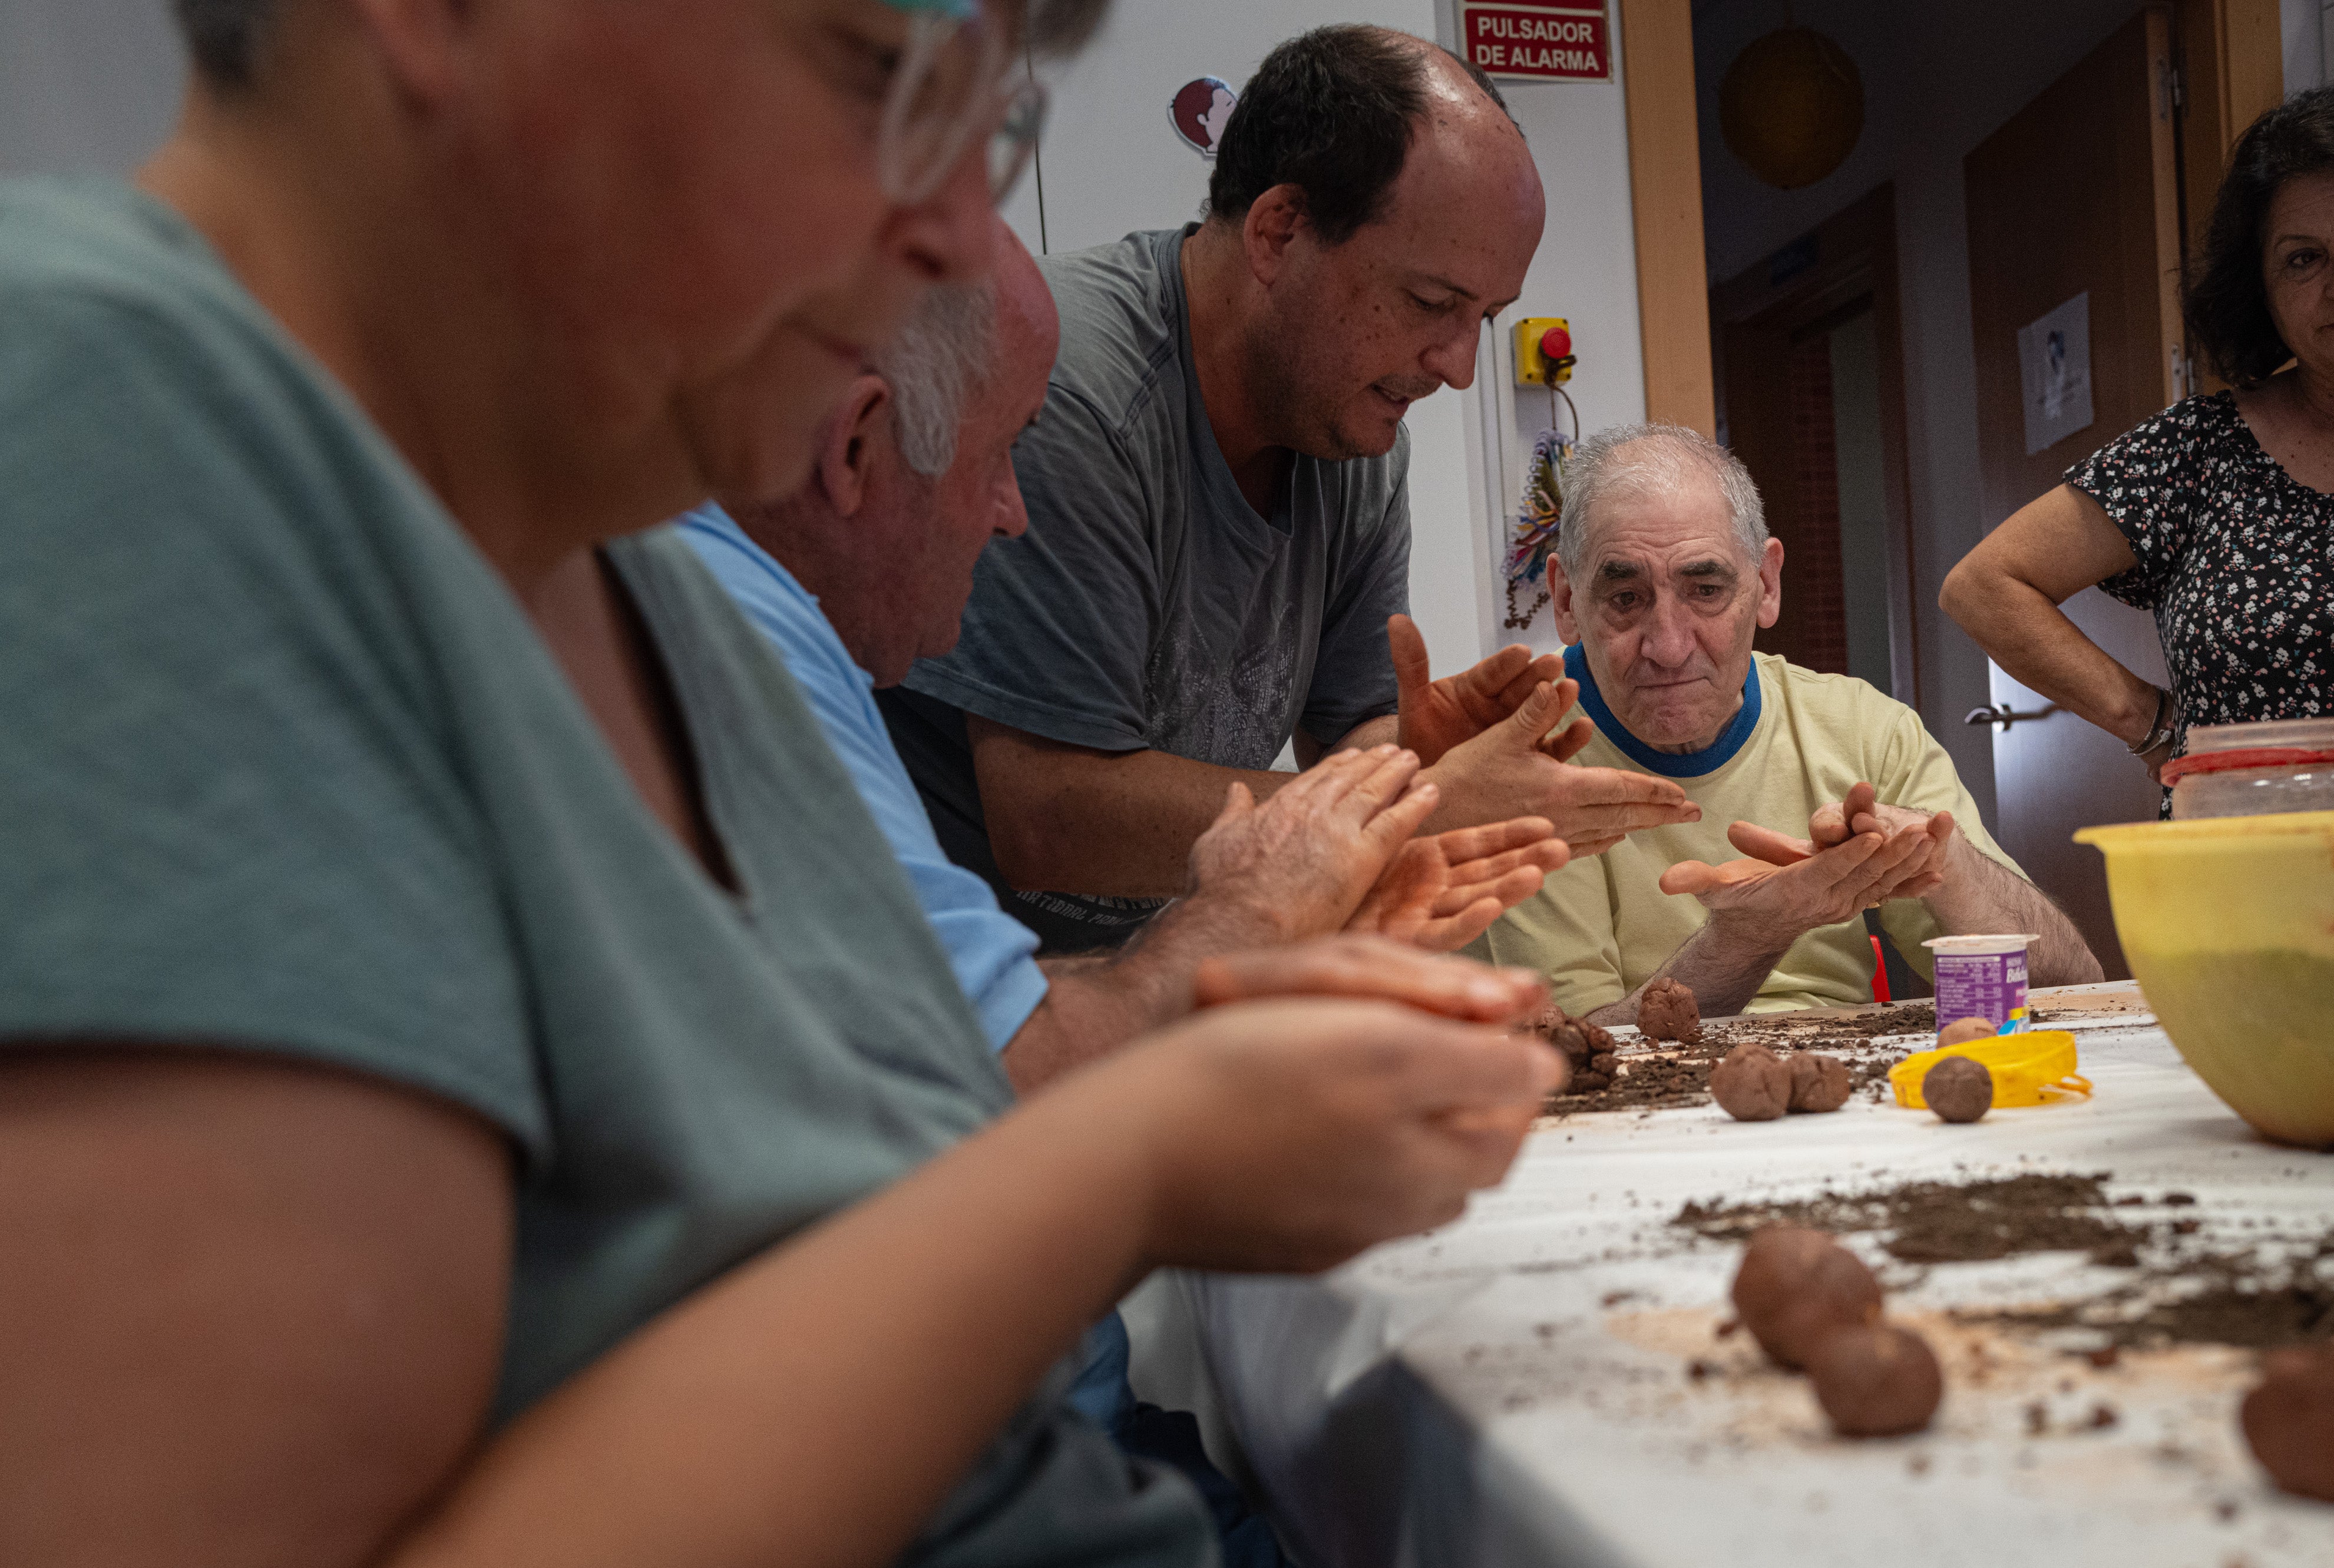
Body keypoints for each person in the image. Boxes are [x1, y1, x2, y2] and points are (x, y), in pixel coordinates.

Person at [0, 4, 1571, 1567]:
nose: (958, 232)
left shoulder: (662, 577)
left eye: (989, 127)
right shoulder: (109, 423)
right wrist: (1131, 1162)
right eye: (881, 84)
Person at [678, 226, 1568, 1568]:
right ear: (857, 447)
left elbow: (952, 1052)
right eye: (998, 458)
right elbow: (1011, 1086)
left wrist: (1300, 932)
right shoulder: (722, 634)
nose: (1010, 513)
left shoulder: (773, 626)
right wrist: (1248, 928)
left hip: (1057, 1418)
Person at [685, 221, 1569, 1093]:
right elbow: (995, 1060)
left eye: (1486, 318)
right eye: (998, 456)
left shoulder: (787, 639)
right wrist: (1265, 901)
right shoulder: (742, 657)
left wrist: (1402, 777)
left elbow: (943, 1017)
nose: (1011, 514)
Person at [880, 23, 1694, 954]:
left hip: (1144, 982)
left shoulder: (1355, 432)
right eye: (1433, 304)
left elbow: (1347, 730)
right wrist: (1418, 811)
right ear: (1279, 230)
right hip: (927, 1001)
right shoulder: (1071, 393)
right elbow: (1051, 815)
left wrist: (1412, 760)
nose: (1460, 367)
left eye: (1486, 317)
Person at [1469, 425, 2101, 1023]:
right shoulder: (1515, 760)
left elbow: (2073, 993)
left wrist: (1946, 862)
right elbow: (1568, 1057)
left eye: (1706, 589)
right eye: (1625, 597)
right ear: (1565, 599)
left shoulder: (1865, 729)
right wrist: (1749, 936)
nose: (1667, 644)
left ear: (1766, 584)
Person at [1943, 85, 2334, 811]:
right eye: (2303, 259)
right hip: (2245, 881)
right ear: (2258, 286)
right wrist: (2155, 725)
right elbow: (1984, 586)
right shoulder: (2200, 451)